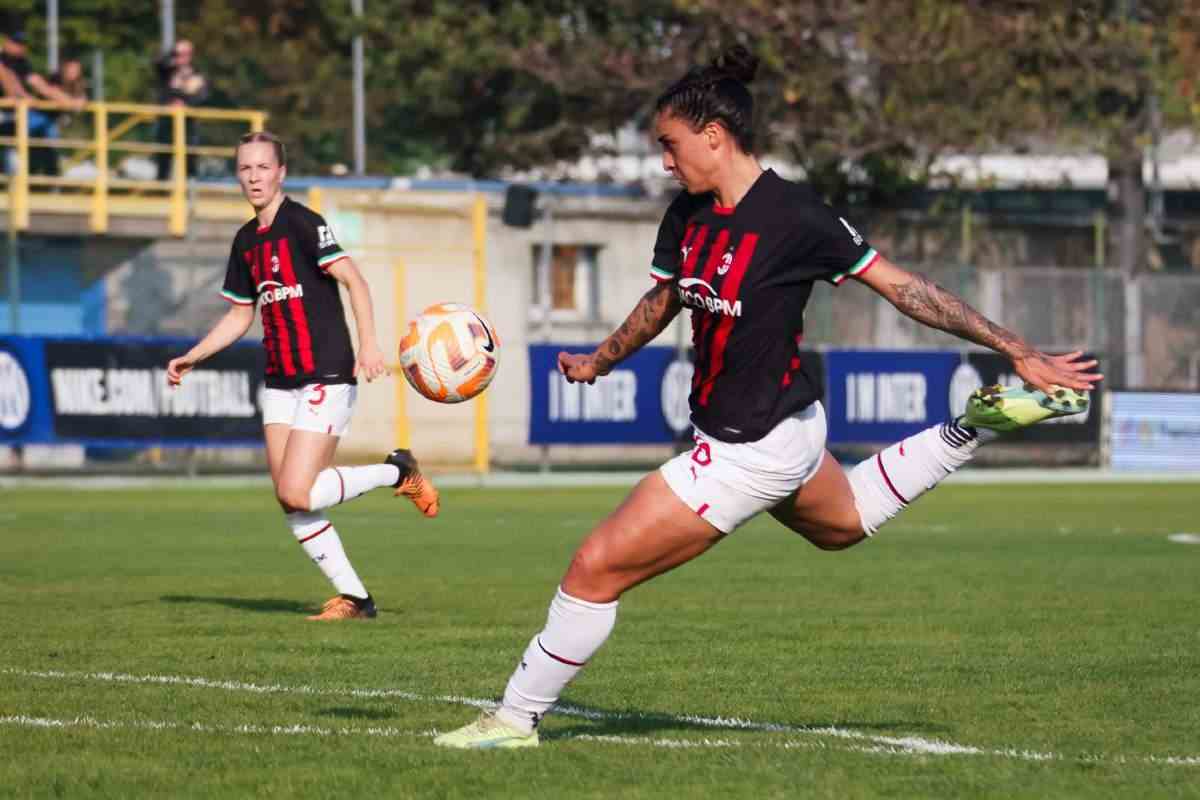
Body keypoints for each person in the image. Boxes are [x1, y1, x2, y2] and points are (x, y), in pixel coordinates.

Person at [433, 46, 1101, 748]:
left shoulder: (796, 217)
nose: (665, 160)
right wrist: (600, 359)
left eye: (671, 144)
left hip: (748, 447)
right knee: (842, 525)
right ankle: (969, 427)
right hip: (787, 429)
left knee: (593, 569)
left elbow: (908, 290)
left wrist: (1017, 348)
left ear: (714, 137)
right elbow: (665, 299)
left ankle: (513, 718)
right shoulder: (687, 214)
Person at [166, 131, 440, 621]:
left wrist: (370, 343)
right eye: (245, 169)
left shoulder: (303, 224)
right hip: (278, 380)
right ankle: (356, 598)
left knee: (297, 490)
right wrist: (194, 355)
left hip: (326, 370)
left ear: (281, 173)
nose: (253, 177)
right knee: (291, 500)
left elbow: (355, 280)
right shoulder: (245, 241)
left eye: (262, 167)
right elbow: (239, 316)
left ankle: (397, 471)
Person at [0, 31, 85, 175]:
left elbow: (40, 85)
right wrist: (23, 97)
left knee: (37, 142)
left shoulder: (21, 62)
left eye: (23, 44)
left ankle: (43, 180)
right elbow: (11, 84)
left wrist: (71, 102)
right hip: (10, 112)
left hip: (15, 114)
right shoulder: (3, 60)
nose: (21, 48)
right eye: (17, 43)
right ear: (7, 42)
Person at [154, 38, 208, 180]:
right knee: (164, 159)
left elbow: (202, 96)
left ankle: (190, 195)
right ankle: (162, 192)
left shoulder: (197, 74)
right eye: (178, 54)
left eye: (185, 54)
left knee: (189, 160)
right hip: (167, 122)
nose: (181, 57)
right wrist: (172, 52)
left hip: (188, 123)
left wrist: (186, 104)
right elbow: (158, 62)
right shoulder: (167, 71)